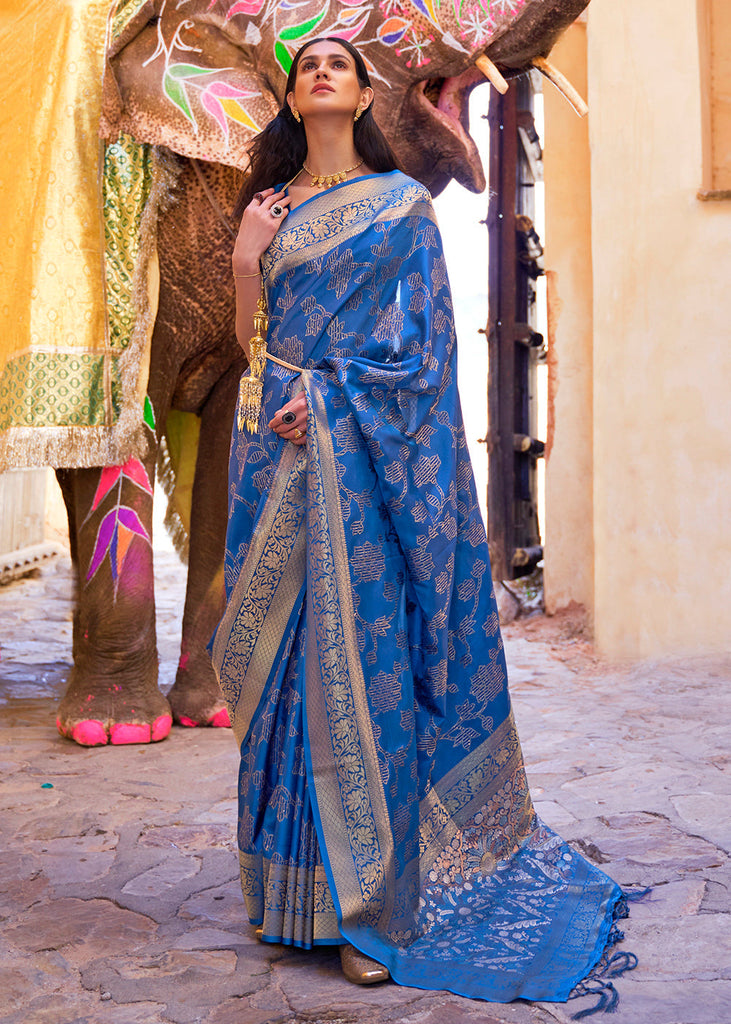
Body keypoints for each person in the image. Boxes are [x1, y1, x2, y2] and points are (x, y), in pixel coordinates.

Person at [211, 36, 635, 1012]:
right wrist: (244, 260)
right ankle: (294, 900)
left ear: (364, 93)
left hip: (357, 463)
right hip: (278, 460)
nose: (320, 71)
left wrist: (334, 404)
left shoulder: (400, 205)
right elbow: (254, 340)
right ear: (290, 91)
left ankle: (373, 909)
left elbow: (426, 346)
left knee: (362, 667)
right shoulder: (269, 211)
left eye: (338, 63)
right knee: (283, 677)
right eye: (305, 62)